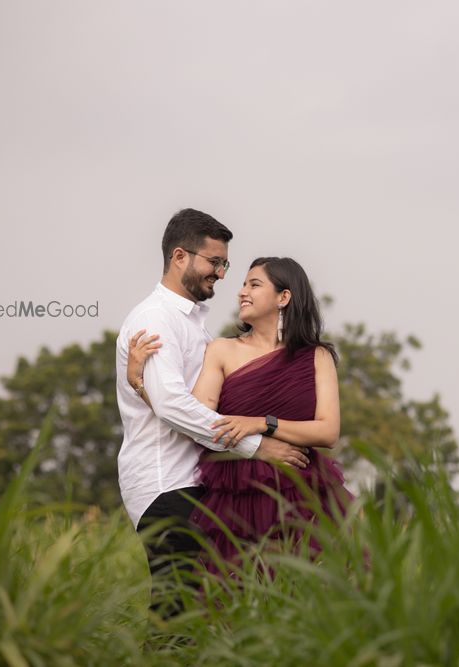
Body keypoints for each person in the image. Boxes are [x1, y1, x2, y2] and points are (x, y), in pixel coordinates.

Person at [116, 209, 310, 617]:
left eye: (226, 264)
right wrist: (258, 447)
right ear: (180, 257)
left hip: (197, 481)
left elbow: (204, 404)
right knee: (181, 612)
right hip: (165, 482)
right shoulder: (156, 319)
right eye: (214, 262)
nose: (222, 274)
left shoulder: (196, 329)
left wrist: (138, 386)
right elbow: (171, 405)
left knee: (209, 611)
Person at [126, 256, 351, 575]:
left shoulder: (317, 356)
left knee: (307, 595)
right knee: (233, 598)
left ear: (283, 297)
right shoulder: (221, 350)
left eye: (254, 285)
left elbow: (328, 432)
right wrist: (139, 384)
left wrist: (263, 423)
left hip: (304, 493)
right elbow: (195, 421)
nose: (241, 292)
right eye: (243, 284)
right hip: (236, 497)